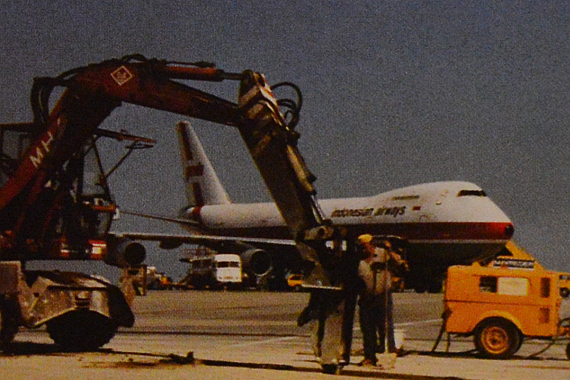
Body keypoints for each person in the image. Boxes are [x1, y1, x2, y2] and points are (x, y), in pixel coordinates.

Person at [356, 234, 406, 367]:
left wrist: (390, 251)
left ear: (372, 245)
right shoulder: (358, 259)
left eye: (365, 246)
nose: (363, 250)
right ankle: (369, 356)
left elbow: (399, 265)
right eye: (361, 247)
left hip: (382, 297)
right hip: (366, 298)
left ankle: (387, 354)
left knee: (384, 327)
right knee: (367, 329)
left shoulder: (383, 254)